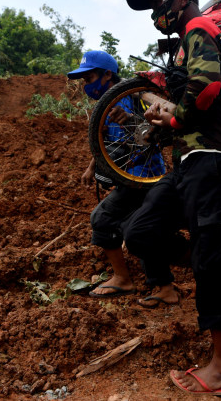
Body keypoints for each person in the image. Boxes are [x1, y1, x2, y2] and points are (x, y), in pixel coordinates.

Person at [123, 0, 221, 396]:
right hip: (191, 165)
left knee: (212, 260)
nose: (156, 14)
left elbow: (208, 87)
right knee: (141, 231)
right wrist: (168, 125)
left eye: (157, 3)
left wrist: (174, 118)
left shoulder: (199, 29)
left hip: (215, 162)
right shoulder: (184, 42)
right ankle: (213, 260)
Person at [68, 50, 165, 298]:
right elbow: (103, 140)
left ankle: (124, 279)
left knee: (102, 219)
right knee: (140, 227)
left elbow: (154, 136)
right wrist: (92, 167)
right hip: (128, 177)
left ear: (107, 74)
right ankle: (161, 284)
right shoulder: (107, 103)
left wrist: (131, 120)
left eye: (88, 79)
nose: (85, 86)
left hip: (144, 177)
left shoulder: (132, 97)